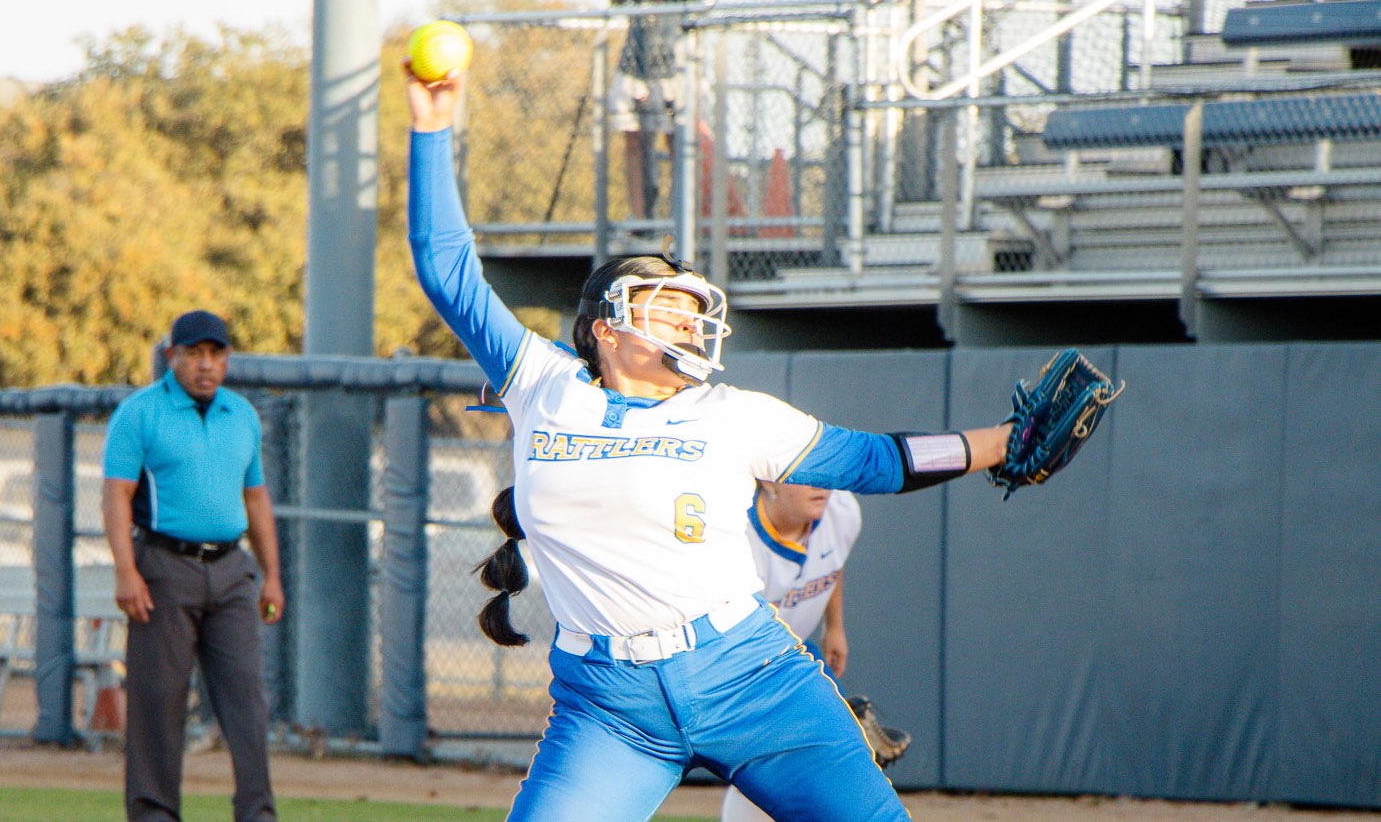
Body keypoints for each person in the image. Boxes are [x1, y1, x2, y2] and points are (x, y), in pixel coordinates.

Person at [406, 69, 1012, 821]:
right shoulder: (542, 383)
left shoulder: (732, 413)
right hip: (610, 707)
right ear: (605, 327)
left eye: (697, 315)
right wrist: (432, 128)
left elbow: (871, 461)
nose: (691, 325)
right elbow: (444, 267)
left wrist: (997, 444)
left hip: (748, 675)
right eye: (670, 310)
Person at [102, 309, 284, 822]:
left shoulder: (242, 415)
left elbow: (256, 498)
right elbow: (117, 495)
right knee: (157, 704)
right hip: (163, 569)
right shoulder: (139, 414)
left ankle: (257, 813)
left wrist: (271, 574)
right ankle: (155, 813)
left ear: (226, 359)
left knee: (247, 702)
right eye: (193, 354)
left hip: (231, 572)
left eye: (215, 354)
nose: (205, 365)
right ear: (171, 357)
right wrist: (125, 570)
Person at [719, 481, 912, 822]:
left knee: (774, 774)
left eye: (824, 470)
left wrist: (834, 626)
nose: (821, 483)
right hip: (732, 670)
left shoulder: (842, 510)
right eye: (806, 474)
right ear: (768, 479)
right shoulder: (735, 535)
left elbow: (830, 561)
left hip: (787, 658)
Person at [607, 0, 720, 223]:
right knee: (633, 139)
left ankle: (680, 220)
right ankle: (639, 219)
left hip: (678, 63)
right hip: (637, 62)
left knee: (680, 140)